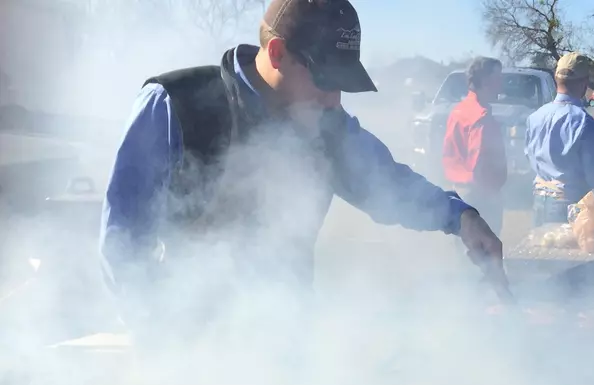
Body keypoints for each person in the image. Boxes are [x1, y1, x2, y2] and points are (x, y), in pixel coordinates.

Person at [99, 0, 506, 347]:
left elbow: (389, 183)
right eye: (325, 80)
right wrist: (157, 337)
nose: (335, 99)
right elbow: (124, 240)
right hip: (193, 349)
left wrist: (461, 216)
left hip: (286, 349)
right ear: (277, 53)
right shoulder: (175, 105)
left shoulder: (328, 124)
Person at [524, 53, 594, 226]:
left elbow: (529, 156)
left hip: (539, 199)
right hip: (568, 203)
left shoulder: (534, 117)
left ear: (556, 80)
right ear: (583, 83)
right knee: (567, 252)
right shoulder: (585, 122)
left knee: (539, 250)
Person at [441, 57, 507, 235]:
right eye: (498, 78)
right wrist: (490, 192)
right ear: (485, 81)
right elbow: (478, 160)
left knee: (465, 252)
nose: (501, 84)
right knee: (484, 253)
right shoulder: (480, 116)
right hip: (480, 195)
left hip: (461, 191)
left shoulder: (458, 110)